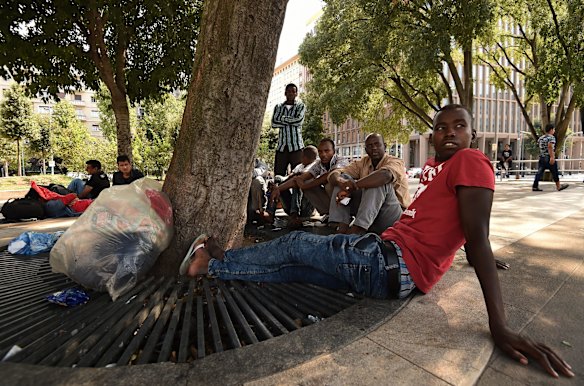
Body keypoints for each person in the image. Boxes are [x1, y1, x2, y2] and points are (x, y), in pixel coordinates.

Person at [182, 104, 573, 379]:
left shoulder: (471, 162)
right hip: (390, 272)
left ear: (472, 135)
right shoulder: (439, 168)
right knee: (295, 269)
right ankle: (211, 267)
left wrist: (499, 326)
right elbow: (467, 236)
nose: (450, 132)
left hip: (390, 260)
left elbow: (478, 236)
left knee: (296, 243)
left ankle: (222, 256)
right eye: (441, 127)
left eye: (459, 126)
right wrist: (473, 254)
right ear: (432, 134)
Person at [327, 133, 411, 234]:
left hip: (392, 217)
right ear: (366, 150)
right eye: (370, 146)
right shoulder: (363, 162)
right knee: (342, 178)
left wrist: (353, 186)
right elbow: (335, 174)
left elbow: (385, 176)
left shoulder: (396, 161)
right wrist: (342, 182)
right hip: (370, 215)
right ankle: (341, 225)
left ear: (385, 146)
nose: (374, 148)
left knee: (376, 180)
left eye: (377, 144)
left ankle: (357, 230)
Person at [272, 138, 349, 222]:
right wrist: (277, 189)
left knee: (329, 184)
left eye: (327, 151)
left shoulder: (341, 160)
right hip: (330, 201)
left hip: (346, 199)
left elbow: (329, 175)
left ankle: (343, 216)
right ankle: (328, 213)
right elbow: (300, 179)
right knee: (304, 181)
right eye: (320, 151)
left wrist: (305, 186)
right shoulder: (318, 164)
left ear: (334, 151)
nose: (323, 154)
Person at [266, 145, 318, 228]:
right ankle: (270, 212)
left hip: (306, 207)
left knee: (297, 181)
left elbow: (299, 176)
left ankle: (294, 215)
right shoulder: (300, 166)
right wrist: (276, 184)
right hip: (291, 207)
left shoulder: (315, 166)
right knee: (278, 179)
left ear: (305, 157)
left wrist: (291, 178)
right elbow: (287, 178)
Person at [271, 83, 306, 176]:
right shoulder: (278, 107)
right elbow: (274, 123)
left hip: (296, 147)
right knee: (278, 175)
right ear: (285, 93)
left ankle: (296, 191)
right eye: (288, 91)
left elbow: (299, 121)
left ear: (296, 94)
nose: (291, 93)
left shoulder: (300, 106)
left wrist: (283, 118)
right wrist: (291, 120)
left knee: (298, 175)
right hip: (282, 147)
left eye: (293, 91)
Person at [532, 124, 569, 192]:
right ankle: (558, 186)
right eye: (554, 129)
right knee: (554, 171)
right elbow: (550, 146)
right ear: (551, 130)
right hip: (548, 157)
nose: (554, 131)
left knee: (539, 172)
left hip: (542, 157)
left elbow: (539, 146)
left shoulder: (541, 138)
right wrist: (552, 157)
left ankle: (535, 186)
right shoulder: (551, 138)